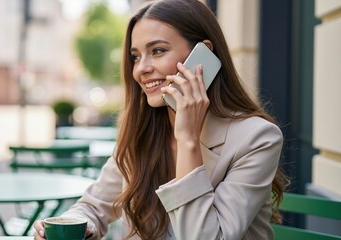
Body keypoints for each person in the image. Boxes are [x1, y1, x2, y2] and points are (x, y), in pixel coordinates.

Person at [34, 0, 289, 239]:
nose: (141, 68)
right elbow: (93, 206)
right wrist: (75, 224)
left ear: (203, 56)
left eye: (157, 51)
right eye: (135, 56)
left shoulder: (256, 138)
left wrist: (187, 138)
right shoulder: (144, 132)